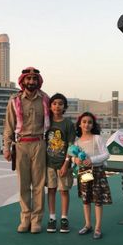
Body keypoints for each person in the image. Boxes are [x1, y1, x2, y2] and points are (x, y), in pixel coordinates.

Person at [3, 67, 49, 234]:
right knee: (23, 184)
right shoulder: (14, 100)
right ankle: (25, 218)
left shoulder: (45, 99)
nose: (31, 82)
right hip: (21, 144)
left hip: (39, 143)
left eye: (34, 79)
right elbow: (9, 125)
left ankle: (37, 220)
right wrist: (6, 147)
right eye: (28, 79)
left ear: (38, 81)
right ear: (23, 81)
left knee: (38, 184)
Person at [71, 112, 112, 240]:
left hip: (97, 171)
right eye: (84, 122)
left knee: (98, 200)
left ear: (93, 125)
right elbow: (73, 156)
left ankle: (98, 228)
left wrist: (92, 160)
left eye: (89, 122)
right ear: (79, 124)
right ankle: (88, 225)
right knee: (86, 199)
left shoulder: (97, 138)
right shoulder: (77, 142)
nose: (86, 124)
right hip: (84, 172)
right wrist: (75, 160)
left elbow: (106, 154)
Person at [45, 93, 76, 233]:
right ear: (50, 106)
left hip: (63, 163)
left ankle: (64, 218)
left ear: (64, 107)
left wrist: (66, 164)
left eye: (60, 104)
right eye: (54, 103)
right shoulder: (46, 122)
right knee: (51, 190)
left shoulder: (68, 124)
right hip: (49, 163)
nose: (57, 106)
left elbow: (71, 145)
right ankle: (52, 218)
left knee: (64, 191)